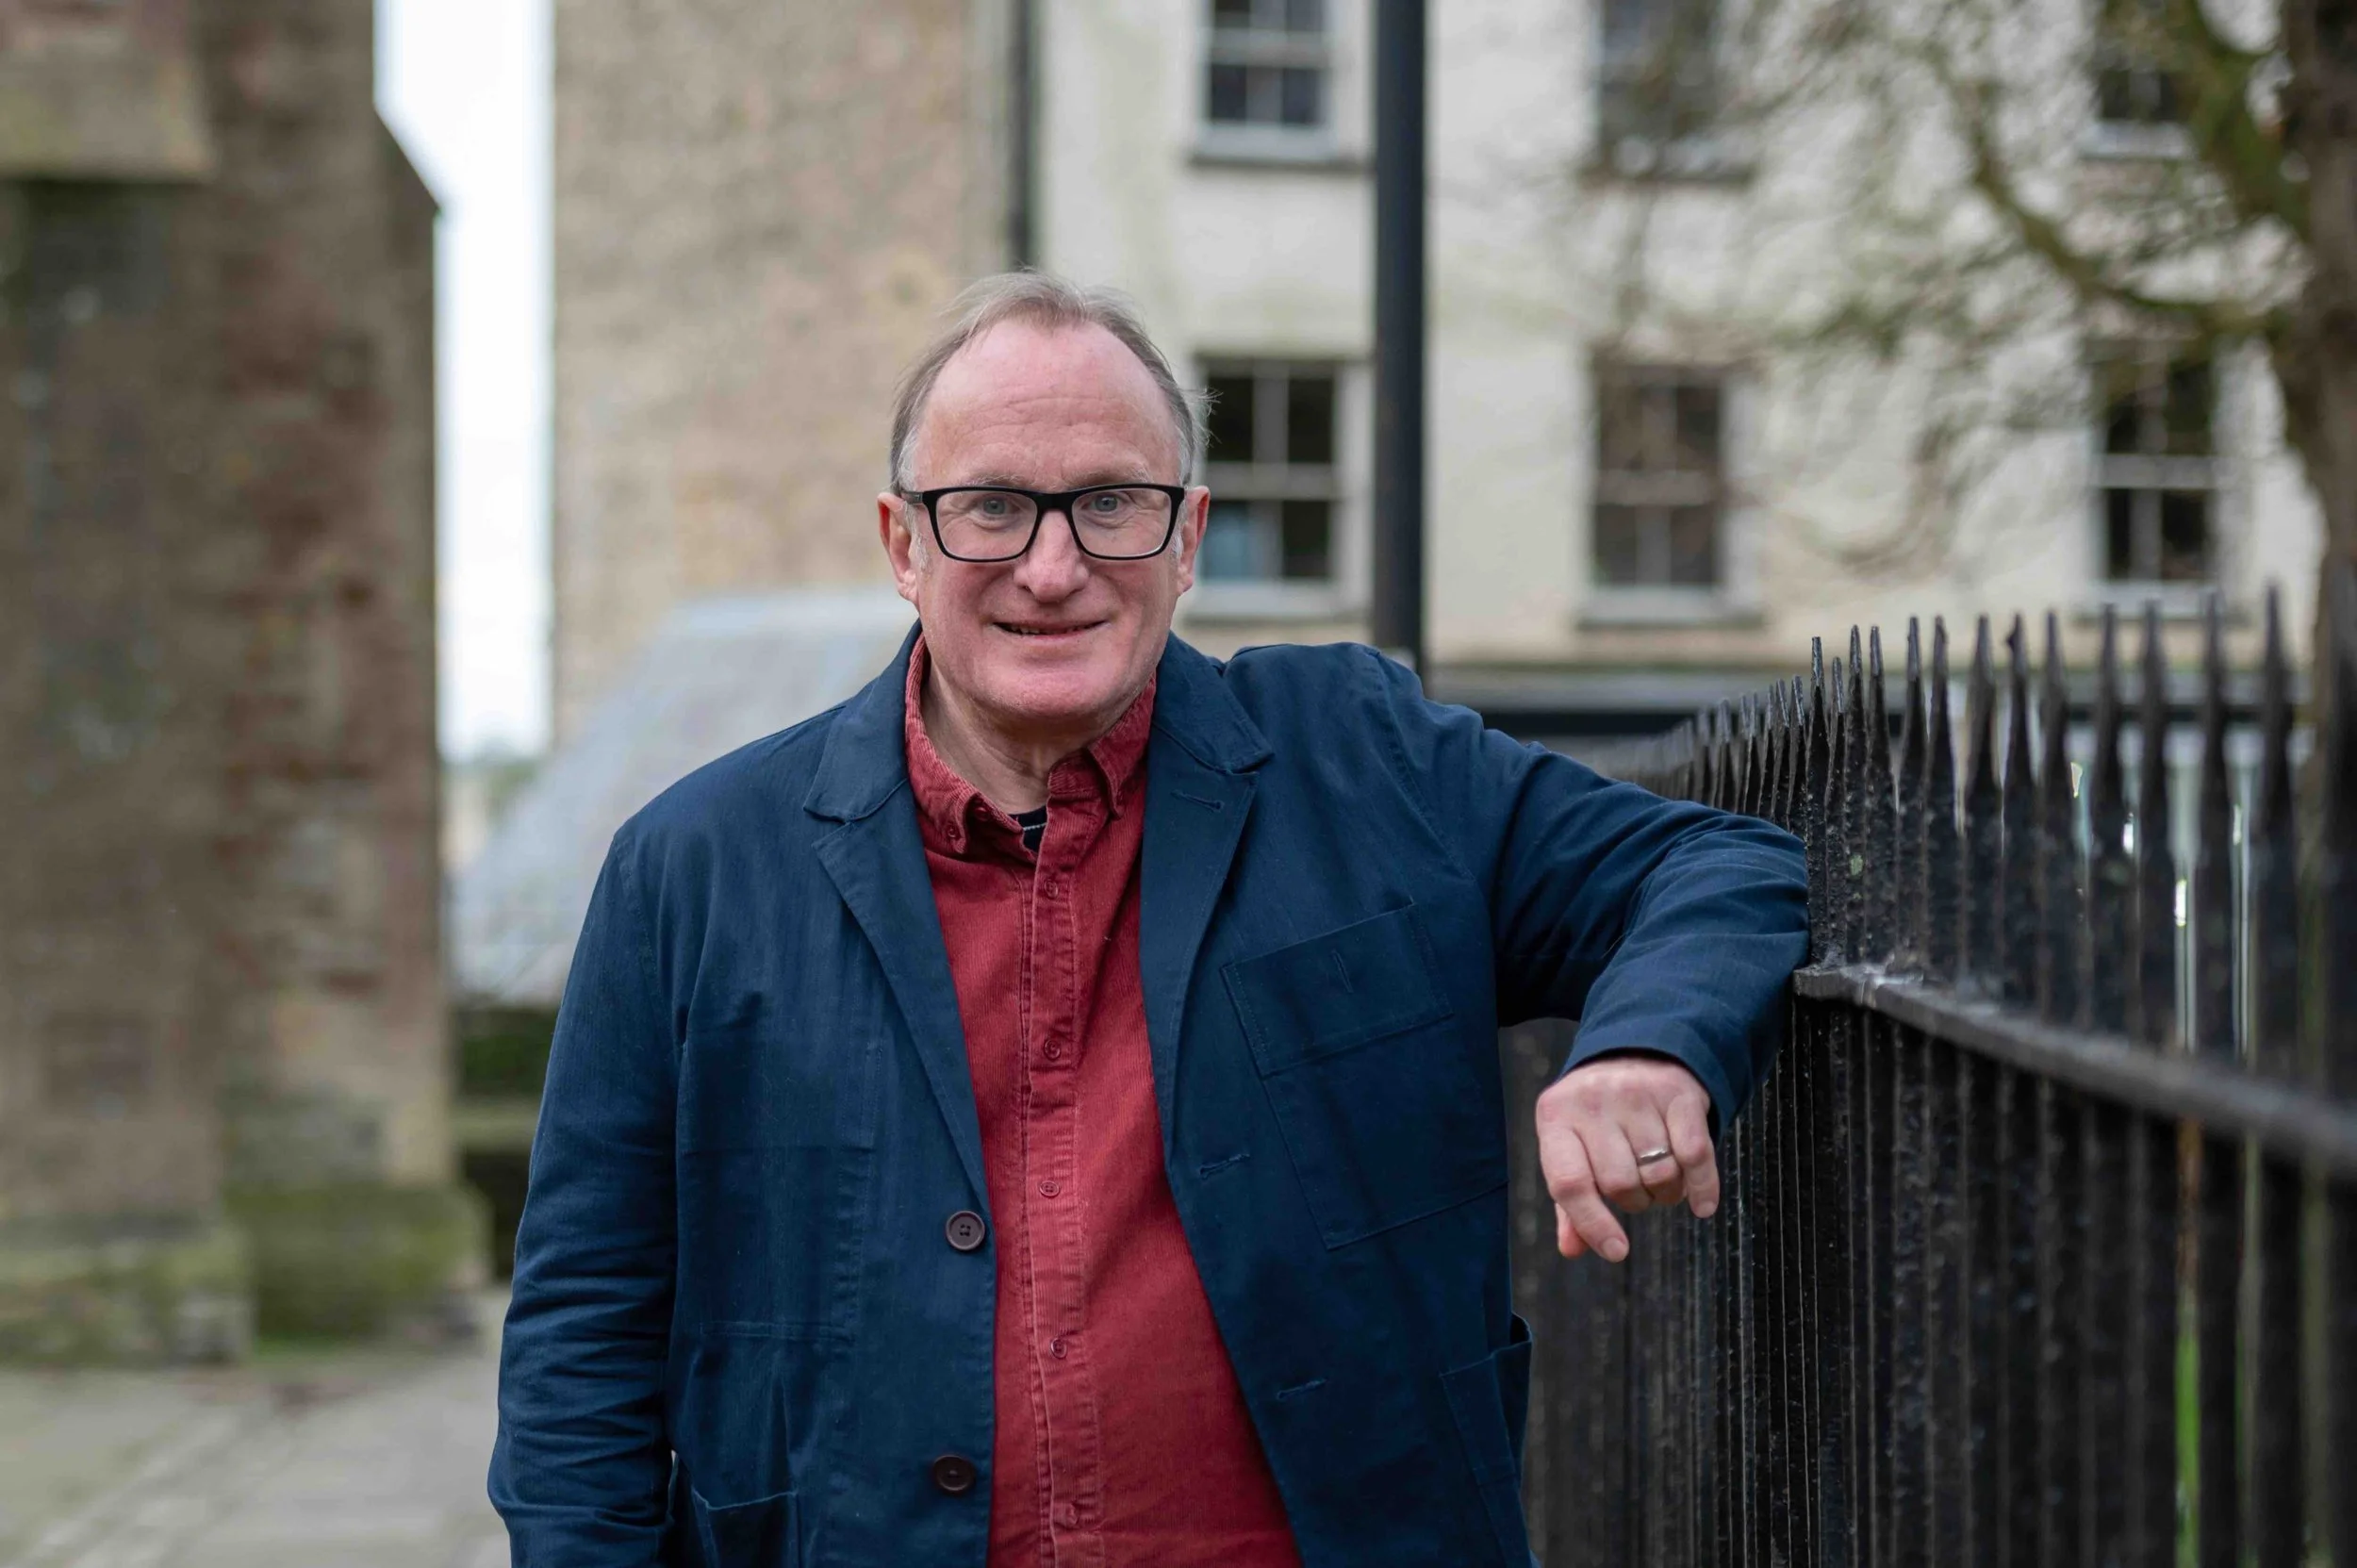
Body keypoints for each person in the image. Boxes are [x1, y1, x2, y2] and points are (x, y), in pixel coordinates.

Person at [489, 272, 1808, 1568]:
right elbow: (583, 1340)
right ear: (904, 544)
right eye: (992, 506)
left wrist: (1647, 1045)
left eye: (1113, 503)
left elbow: (1718, 867)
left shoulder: (1367, 764)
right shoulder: (693, 868)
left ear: (1187, 537)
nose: (1052, 567)